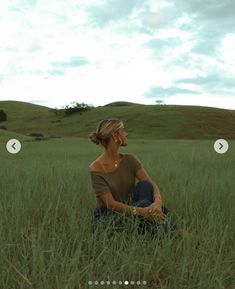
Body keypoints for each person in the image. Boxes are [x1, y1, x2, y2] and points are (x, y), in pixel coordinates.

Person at [88, 118, 179, 238]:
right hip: (108, 216)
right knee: (144, 205)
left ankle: (154, 227)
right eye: (123, 130)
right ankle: (178, 233)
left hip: (131, 210)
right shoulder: (96, 167)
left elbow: (153, 185)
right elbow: (110, 204)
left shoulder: (130, 160)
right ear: (115, 135)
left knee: (145, 186)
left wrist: (157, 204)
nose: (126, 134)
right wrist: (142, 211)